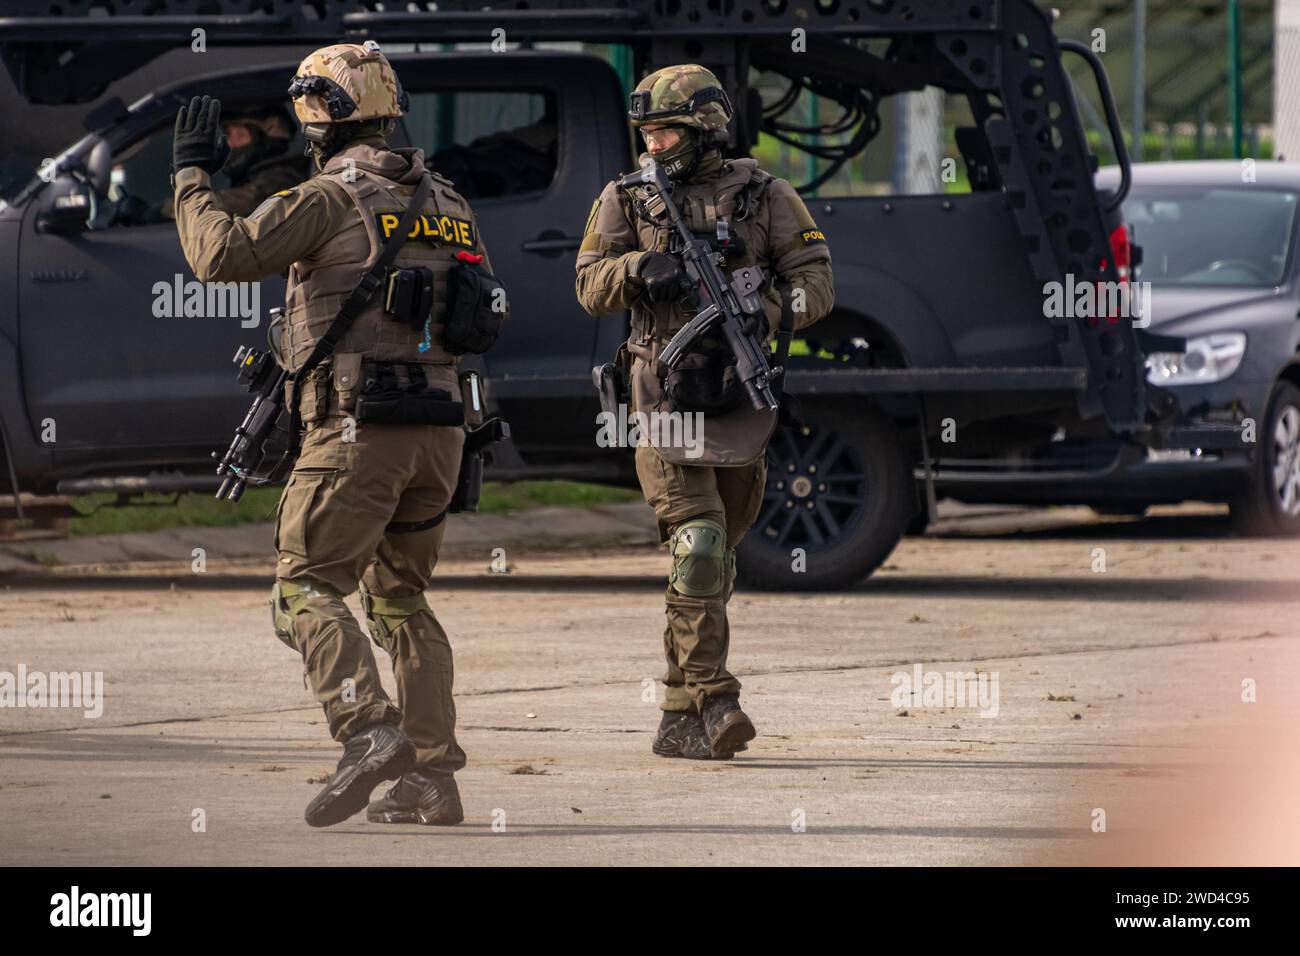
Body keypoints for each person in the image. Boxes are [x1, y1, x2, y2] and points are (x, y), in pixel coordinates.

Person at [171, 41, 493, 827]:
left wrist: (190, 176)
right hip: (441, 434)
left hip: (358, 433)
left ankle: (367, 731)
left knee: (303, 589)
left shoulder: (329, 196)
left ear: (324, 117)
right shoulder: (449, 202)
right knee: (400, 599)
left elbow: (221, 254)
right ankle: (430, 778)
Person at [575, 64, 834, 760]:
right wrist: (636, 271)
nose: (652, 144)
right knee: (699, 547)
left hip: (737, 396)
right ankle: (717, 698)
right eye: (647, 133)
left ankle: (676, 711)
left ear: (704, 129)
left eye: (665, 131)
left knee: (711, 565)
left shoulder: (766, 195)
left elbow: (818, 286)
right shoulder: (627, 197)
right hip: (661, 396)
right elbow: (587, 285)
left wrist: (766, 311)